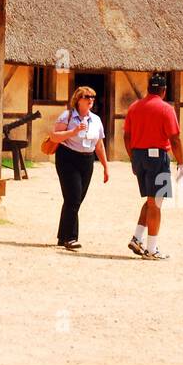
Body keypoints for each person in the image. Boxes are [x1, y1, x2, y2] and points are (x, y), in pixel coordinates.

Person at [124, 73, 183, 260]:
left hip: (139, 156)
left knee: (151, 200)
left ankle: (137, 238)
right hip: (157, 157)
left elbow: (126, 136)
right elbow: (174, 138)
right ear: (164, 91)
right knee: (156, 203)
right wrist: (181, 162)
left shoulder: (134, 107)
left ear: (148, 88)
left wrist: (133, 157)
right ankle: (151, 249)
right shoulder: (166, 109)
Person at [49, 86, 109, 250]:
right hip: (67, 158)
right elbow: (54, 136)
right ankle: (70, 238)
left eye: (93, 97)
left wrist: (105, 166)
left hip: (87, 160)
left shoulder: (96, 120)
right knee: (73, 198)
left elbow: (99, 145)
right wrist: (74, 131)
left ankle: (62, 236)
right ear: (78, 99)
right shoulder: (67, 116)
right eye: (87, 97)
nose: (91, 100)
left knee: (74, 200)